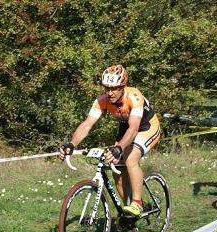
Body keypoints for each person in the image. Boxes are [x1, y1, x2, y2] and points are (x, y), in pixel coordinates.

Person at [59, 64, 161, 217]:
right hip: (125, 129)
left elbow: (133, 128)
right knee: (116, 169)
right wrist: (72, 144)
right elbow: (87, 124)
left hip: (147, 127)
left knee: (130, 158)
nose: (110, 92)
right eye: (106, 88)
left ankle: (137, 203)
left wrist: (119, 147)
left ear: (123, 86)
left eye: (114, 88)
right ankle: (129, 210)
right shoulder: (102, 100)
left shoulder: (134, 96)